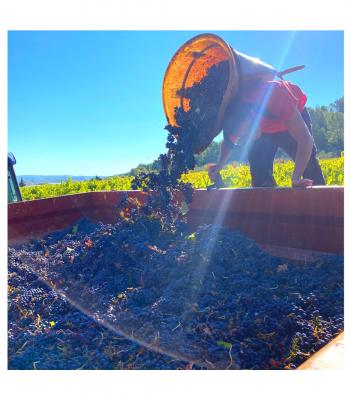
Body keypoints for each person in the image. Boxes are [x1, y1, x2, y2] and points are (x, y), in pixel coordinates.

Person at [207, 79, 326, 188]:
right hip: (262, 126)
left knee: (309, 164)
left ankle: (323, 204)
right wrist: (220, 164)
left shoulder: (275, 95)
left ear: (253, 114)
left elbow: (305, 140)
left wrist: (296, 177)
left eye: (248, 132)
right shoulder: (236, 116)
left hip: (290, 119)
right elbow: (230, 140)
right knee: (259, 172)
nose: (247, 138)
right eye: (243, 136)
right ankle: (269, 206)